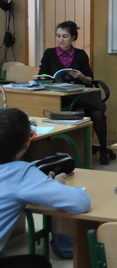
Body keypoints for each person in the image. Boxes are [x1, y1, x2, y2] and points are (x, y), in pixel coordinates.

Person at [0, 108, 90, 268]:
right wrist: (55, 185)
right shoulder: (21, 174)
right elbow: (80, 202)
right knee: (39, 263)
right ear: (25, 144)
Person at [39, 21, 115, 165]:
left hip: (81, 92)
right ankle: (75, 148)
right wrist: (51, 80)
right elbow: (42, 76)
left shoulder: (80, 54)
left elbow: (90, 79)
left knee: (97, 113)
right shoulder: (49, 53)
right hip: (61, 95)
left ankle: (104, 149)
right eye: (58, 36)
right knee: (74, 110)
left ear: (73, 37)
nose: (61, 40)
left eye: (65, 36)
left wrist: (80, 76)